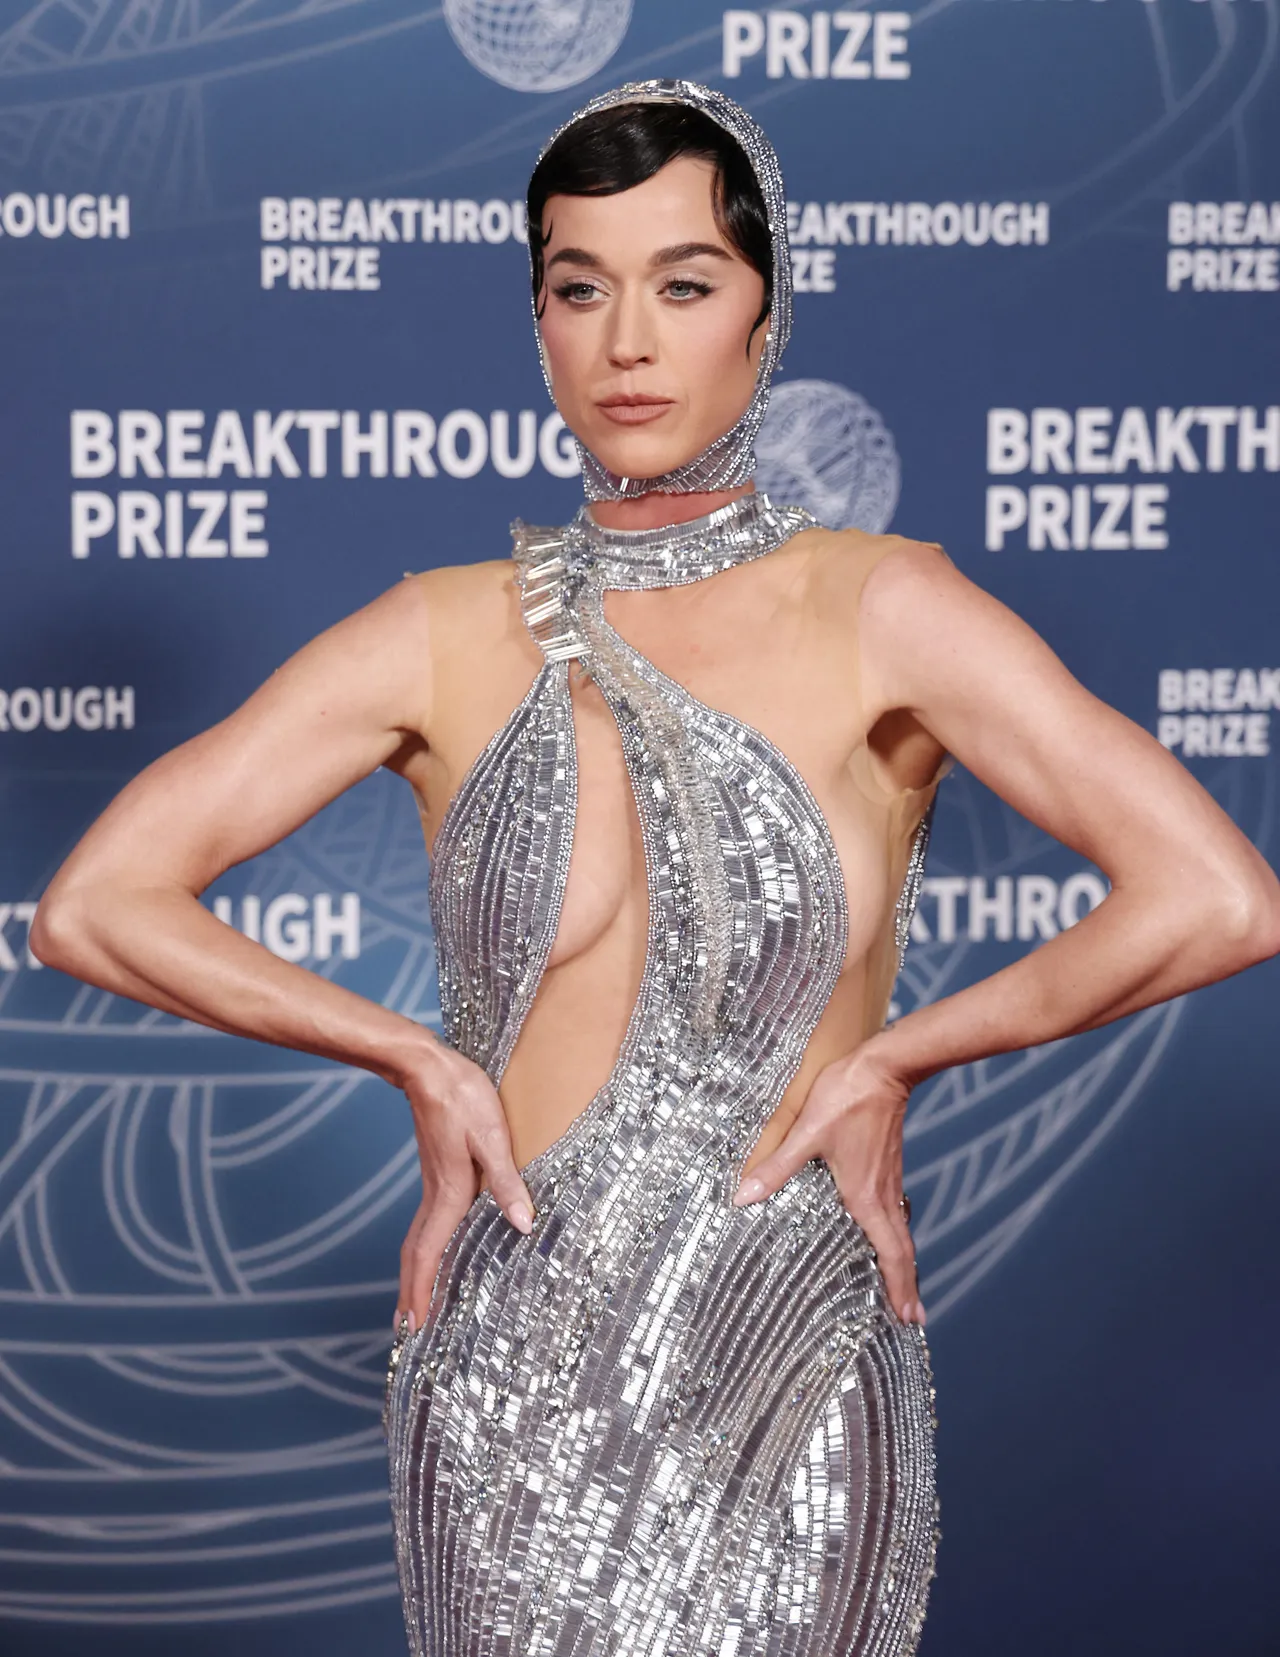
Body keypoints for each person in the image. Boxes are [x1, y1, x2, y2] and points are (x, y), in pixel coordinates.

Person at [30, 77, 1280, 1657]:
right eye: (580, 287)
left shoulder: (884, 609)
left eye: (684, 285)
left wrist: (899, 1058)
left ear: (766, 317)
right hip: (504, 1385)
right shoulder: (440, 630)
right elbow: (92, 905)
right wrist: (412, 1054)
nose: (628, 341)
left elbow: (1220, 898)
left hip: (786, 1374)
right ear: (538, 324)